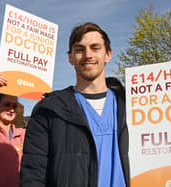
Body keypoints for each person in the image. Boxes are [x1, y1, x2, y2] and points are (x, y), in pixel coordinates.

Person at [20, 22, 130, 187]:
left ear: (108, 54)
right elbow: (33, 175)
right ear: (70, 57)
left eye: (95, 48)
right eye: (80, 49)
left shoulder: (131, 105)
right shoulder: (49, 110)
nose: (88, 55)